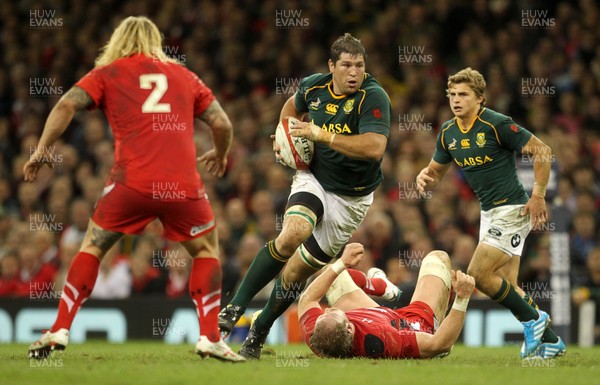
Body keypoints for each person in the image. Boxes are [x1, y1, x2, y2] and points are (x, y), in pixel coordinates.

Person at [25, 16, 244, 362]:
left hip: (131, 184)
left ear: (118, 41)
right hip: (181, 185)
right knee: (205, 252)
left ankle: (60, 327)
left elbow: (66, 104)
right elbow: (222, 123)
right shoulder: (184, 76)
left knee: (93, 247)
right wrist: (220, 153)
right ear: (155, 40)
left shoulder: (108, 73)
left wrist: (41, 149)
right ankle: (210, 337)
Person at [218, 33, 391, 359]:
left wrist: (320, 134)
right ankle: (234, 306)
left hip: (351, 201)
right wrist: (284, 134)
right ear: (331, 66)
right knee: (292, 233)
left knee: (296, 272)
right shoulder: (313, 87)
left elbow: (374, 147)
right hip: (314, 178)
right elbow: (291, 108)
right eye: (346, 65)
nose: (354, 72)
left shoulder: (374, 96)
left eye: (359, 65)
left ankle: (260, 328)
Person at [416, 67, 565, 359]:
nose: (456, 100)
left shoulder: (496, 124)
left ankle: (534, 320)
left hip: (512, 209)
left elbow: (543, 151)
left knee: (477, 274)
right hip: (489, 213)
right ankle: (550, 341)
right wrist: (426, 177)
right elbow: (436, 171)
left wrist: (538, 195)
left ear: (480, 98)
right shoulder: (448, 132)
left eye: (463, 95)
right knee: (507, 284)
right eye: (452, 95)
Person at [299, 243, 475, 358]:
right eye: (331, 313)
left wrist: (342, 263)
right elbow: (440, 344)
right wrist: (462, 298)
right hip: (412, 324)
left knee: (335, 276)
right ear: (349, 328)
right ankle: (438, 325)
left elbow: (307, 299)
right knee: (437, 258)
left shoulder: (317, 336)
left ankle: (380, 286)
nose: (328, 309)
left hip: (382, 316)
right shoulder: (383, 339)